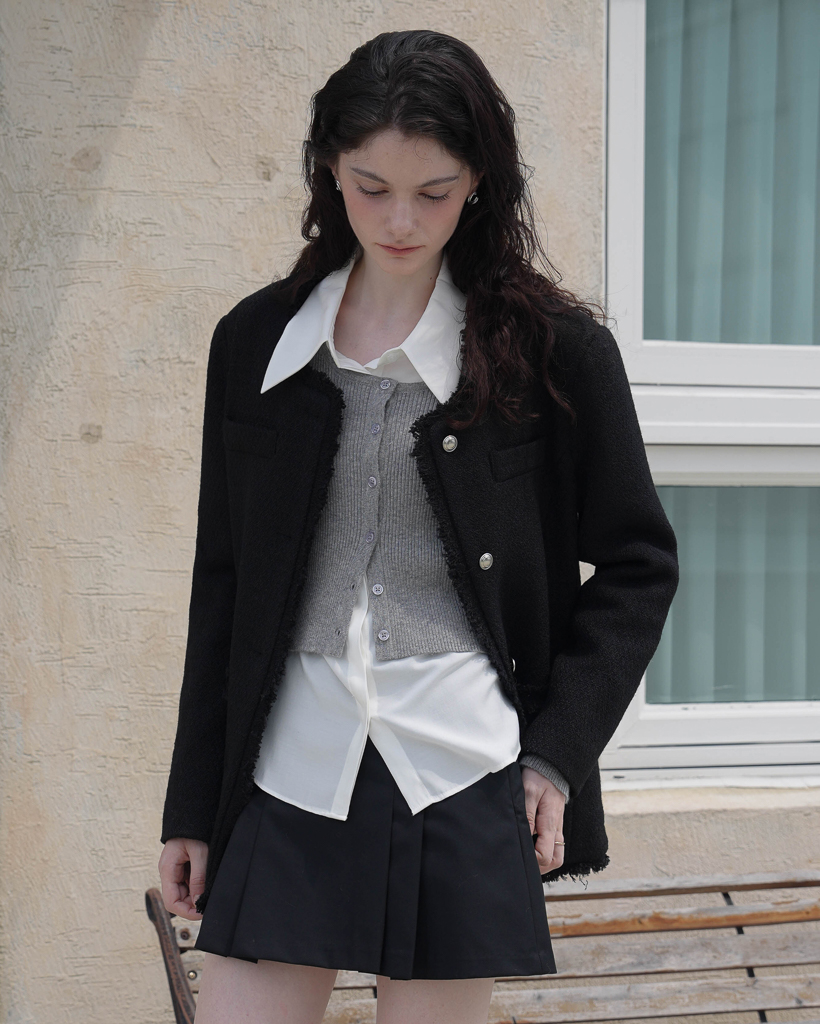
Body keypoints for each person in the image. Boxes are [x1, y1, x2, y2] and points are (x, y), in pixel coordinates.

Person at [157, 29, 678, 1024]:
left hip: (462, 772)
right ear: (329, 171)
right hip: (288, 770)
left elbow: (638, 565)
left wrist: (556, 754)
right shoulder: (254, 344)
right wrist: (192, 805)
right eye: (371, 187)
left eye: (433, 192)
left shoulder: (555, 352)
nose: (400, 219)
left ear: (479, 180)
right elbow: (222, 578)